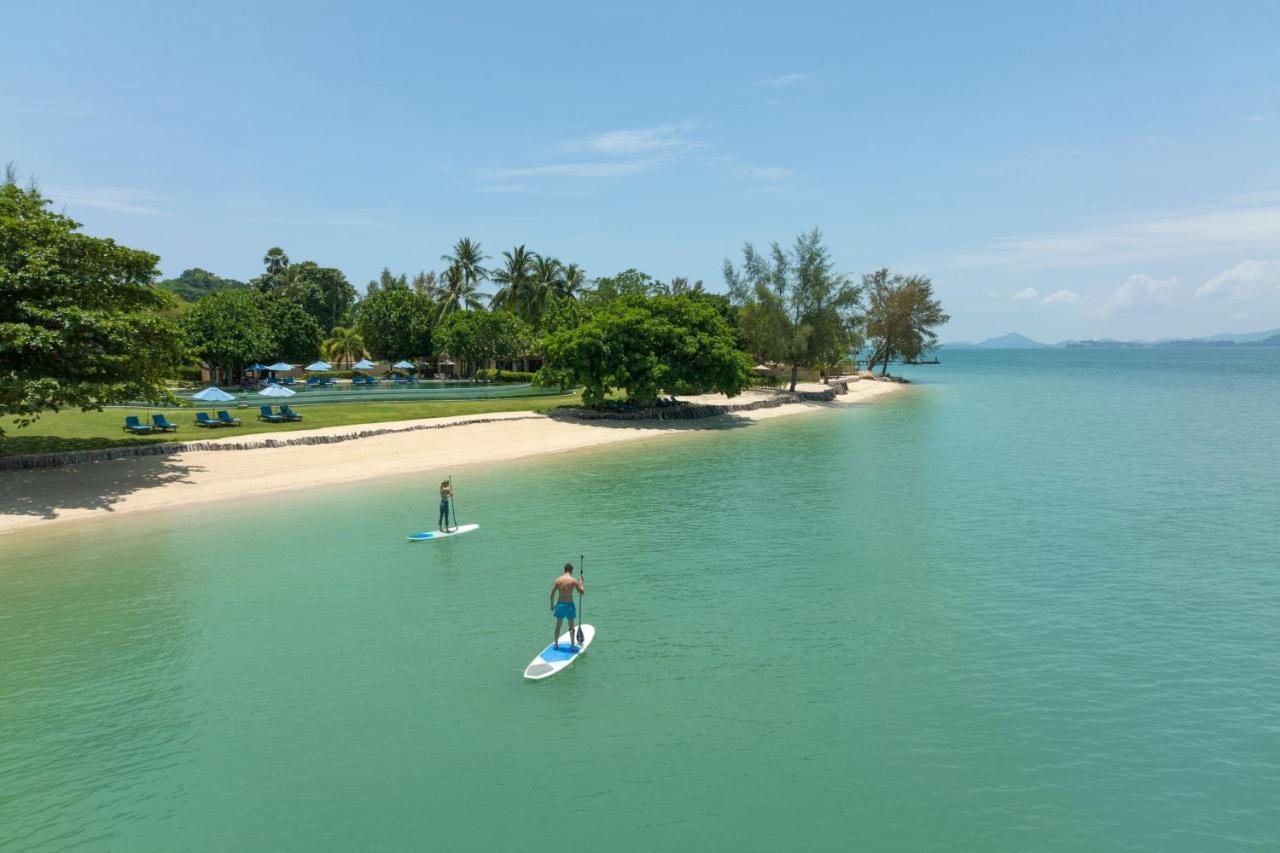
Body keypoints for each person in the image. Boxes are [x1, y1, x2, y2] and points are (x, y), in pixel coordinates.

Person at [550, 562, 585, 651]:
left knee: (558, 624)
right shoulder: (573, 581)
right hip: (569, 605)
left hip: (560, 604)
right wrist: (581, 582)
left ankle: (556, 644)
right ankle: (573, 645)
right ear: (571, 571)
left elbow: (552, 593)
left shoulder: (558, 580)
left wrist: (552, 604)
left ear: (564, 570)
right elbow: (582, 592)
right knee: (571, 626)